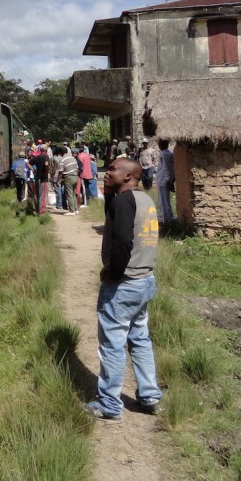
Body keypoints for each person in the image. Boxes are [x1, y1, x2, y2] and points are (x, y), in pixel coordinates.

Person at [84, 157, 163, 422]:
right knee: (140, 339)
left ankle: (109, 404)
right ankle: (150, 396)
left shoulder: (122, 202)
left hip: (124, 284)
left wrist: (111, 273)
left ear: (128, 176)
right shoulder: (145, 200)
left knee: (113, 345)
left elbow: (123, 244)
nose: (107, 173)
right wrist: (108, 193)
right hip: (145, 280)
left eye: (113, 170)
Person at [156, 139, 175, 224]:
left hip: (163, 180)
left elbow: (166, 168)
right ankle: (168, 219)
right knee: (165, 202)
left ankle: (167, 220)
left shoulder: (164, 154)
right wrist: (172, 179)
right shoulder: (170, 154)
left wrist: (168, 180)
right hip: (165, 180)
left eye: (159, 144)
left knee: (163, 202)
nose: (159, 146)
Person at [28, 144, 49, 215]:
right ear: (46, 150)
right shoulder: (46, 157)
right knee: (42, 195)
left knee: (37, 194)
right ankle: (41, 212)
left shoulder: (37, 157)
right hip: (43, 178)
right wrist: (47, 170)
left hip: (37, 177)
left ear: (40, 150)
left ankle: (37, 210)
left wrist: (33, 170)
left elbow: (28, 163)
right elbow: (46, 164)